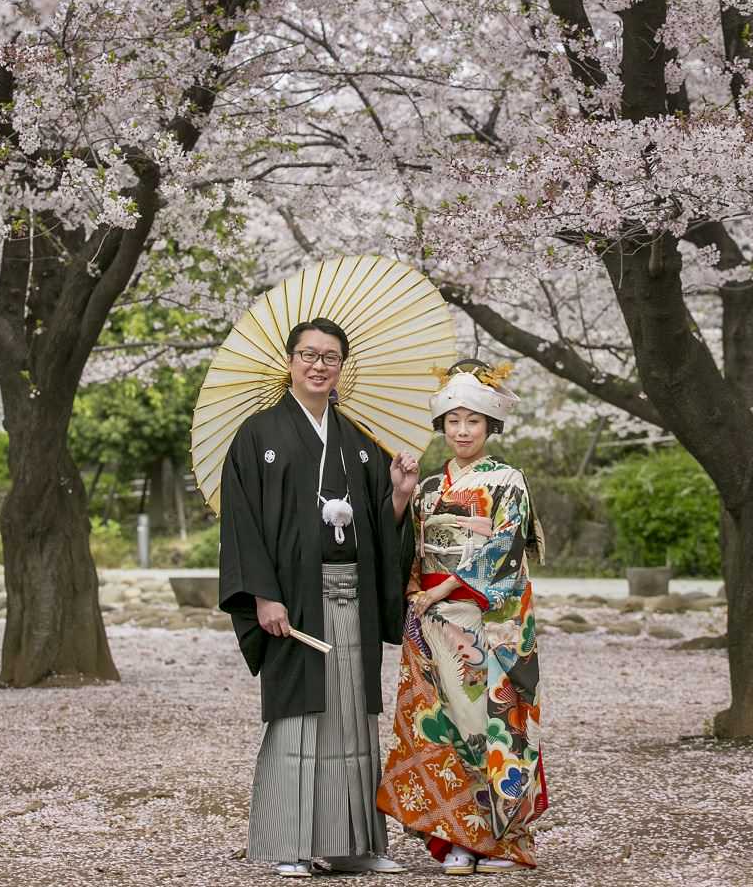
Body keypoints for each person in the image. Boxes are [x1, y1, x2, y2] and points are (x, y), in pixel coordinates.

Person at [218, 317, 419, 877]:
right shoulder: (258, 435)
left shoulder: (359, 441)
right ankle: (289, 842)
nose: (318, 365)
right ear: (289, 362)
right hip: (293, 601)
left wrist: (399, 496)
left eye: (330, 357)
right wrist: (263, 595)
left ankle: (352, 842)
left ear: (341, 367)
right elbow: (241, 523)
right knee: (298, 716)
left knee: (351, 717)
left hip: (350, 594)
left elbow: (381, 527)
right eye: (308, 354)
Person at [376, 360, 548, 874]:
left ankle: (500, 840)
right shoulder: (429, 486)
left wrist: (446, 588)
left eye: (473, 420)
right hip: (431, 619)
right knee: (443, 725)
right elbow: (408, 548)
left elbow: (505, 546)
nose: (462, 431)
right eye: (453, 421)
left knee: (491, 724)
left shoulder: (508, 481)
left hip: (486, 620)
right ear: (441, 427)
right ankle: (457, 837)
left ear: (490, 425)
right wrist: (401, 497)